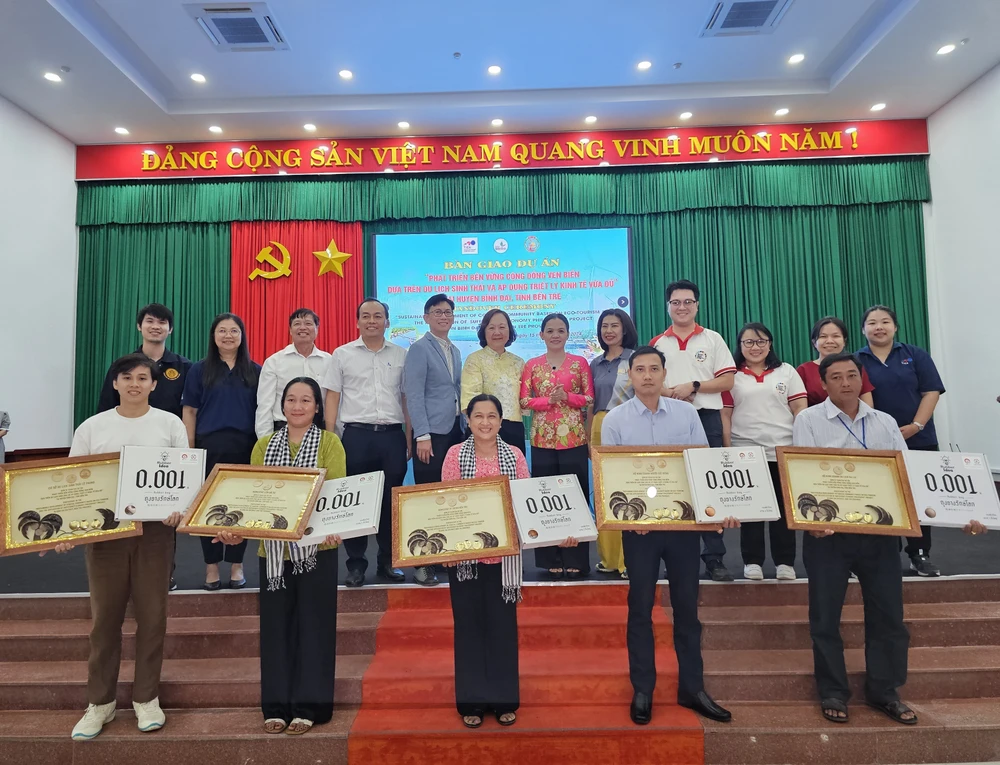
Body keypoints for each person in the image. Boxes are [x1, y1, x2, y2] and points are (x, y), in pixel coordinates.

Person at [51, 354, 188, 741]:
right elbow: (72, 483)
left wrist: (179, 510)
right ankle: (100, 703)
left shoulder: (170, 424)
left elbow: (184, 480)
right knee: (105, 620)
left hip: (156, 534)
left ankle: (146, 698)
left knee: (153, 617)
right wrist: (64, 529)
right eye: (126, 377)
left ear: (154, 385)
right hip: (105, 535)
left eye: (142, 378)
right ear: (115, 383)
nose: (134, 384)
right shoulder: (92, 428)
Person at [601, 346, 735, 725]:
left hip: (682, 527)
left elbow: (703, 466)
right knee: (640, 607)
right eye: (639, 369)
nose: (646, 376)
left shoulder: (687, 413)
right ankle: (643, 689)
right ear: (629, 375)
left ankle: (693, 688)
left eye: (653, 369)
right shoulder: (615, 420)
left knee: (687, 609)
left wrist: (714, 511)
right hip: (640, 529)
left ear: (664, 374)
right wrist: (627, 517)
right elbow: (611, 478)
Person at [215, 377, 344, 735]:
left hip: (318, 549)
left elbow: (334, 496)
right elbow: (251, 498)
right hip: (272, 552)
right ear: (281, 405)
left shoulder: (330, 443)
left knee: (314, 628)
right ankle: (276, 705)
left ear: (317, 407)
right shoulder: (263, 446)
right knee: (275, 629)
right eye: (291, 399)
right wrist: (234, 525)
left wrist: (334, 525)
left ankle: (309, 706)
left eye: (306, 400)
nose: (298, 406)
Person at [792, 352, 916, 725]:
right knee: (825, 618)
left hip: (880, 533)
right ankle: (833, 690)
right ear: (824, 384)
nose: (846, 383)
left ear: (862, 380)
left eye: (851, 376)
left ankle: (885, 691)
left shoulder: (885, 422)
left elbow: (904, 473)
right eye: (836, 377)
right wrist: (808, 521)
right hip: (827, 533)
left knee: (889, 616)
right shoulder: (809, 420)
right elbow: (802, 474)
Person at [439, 394, 530, 728]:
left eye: (492, 416)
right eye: (479, 416)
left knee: (502, 628)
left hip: (503, 558)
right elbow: (445, 504)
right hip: (466, 558)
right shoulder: (454, 455)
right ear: (468, 420)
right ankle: (473, 702)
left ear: (501, 422)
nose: (485, 422)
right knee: (469, 628)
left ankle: (504, 699)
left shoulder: (516, 455)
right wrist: (447, 548)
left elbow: (525, 501)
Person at [650, 280, 736, 582]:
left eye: (688, 302)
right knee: (670, 483)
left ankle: (715, 558)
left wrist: (694, 386)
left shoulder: (712, 339)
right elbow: (650, 383)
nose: (682, 307)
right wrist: (672, 392)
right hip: (668, 420)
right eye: (676, 302)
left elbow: (727, 382)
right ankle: (669, 554)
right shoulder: (658, 343)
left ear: (697, 305)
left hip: (707, 418)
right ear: (668, 306)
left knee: (708, 486)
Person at [323, 298, 408, 587]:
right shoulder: (342, 354)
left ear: (387, 321)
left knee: (390, 504)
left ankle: (387, 562)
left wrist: (408, 436)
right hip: (356, 436)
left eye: (378, 316)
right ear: (357, 321)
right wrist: (331, 436)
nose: (372, 320)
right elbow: (332, 396)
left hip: (392, 436)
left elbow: (405, 398)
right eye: (366, 316)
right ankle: (356, 564)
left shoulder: (401, 354)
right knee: (355, 503)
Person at [858, 305, 946, 577]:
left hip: (918, 437)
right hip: (876, 441)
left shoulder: (914, 354)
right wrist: (883, 432)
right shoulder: (856, 359)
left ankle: (920, 553)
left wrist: (916, 426)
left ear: (895, 327)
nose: (879, 327)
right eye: (872, 323)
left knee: (919, 497)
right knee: (881, 496)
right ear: (864, 330)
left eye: (885, 322)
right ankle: (885, 552)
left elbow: (931, 391)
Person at [721, 322, 807, 581]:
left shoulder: (787, 372)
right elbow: (725, 416)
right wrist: (728, 451)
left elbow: (800, 410)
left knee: (783, 510)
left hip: (782, 449)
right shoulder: (731, 376)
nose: (755, 347)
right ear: (740, 346)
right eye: (748, 342)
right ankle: (753, 561)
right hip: (745, 451)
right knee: (752, 510)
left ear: (770, 344)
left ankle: (784, 562)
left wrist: (799, 448)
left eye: (761, 342)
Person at [182, 313, 260, 590]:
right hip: (208, 446)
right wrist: (189, 450)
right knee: (209, 508)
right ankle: (212, 567)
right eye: (222, 331)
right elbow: (189, 411)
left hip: (245, 446)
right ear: (213, 336)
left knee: (242, 507)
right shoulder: (198, 370)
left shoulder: (255, 370)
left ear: (242, 337)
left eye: (234, 331)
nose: (228, 336)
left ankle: (237, 566)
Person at [519, 313, 595, 578]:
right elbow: (525, 402)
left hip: (573, 438)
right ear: (541, 335)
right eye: (549, 331)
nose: (555, 335)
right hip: (542, 439)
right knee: (546, 498)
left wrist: (568, 397)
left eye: (560, 330)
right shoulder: (532, 365)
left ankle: (576, 557)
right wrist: (548, 401)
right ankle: (549, 556)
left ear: (568, 334)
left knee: (576, 496)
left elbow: (588, 398)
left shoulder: (579, 363)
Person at [403, 294, 464, 586]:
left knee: (448, 498)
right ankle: (422, 563)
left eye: (448, 312)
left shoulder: (454, 349)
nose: (443, 316)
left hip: (455, 431)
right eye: (437, 312)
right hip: (431, 435)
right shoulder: (418, 349)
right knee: (426, 498)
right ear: (426, 317)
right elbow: (413, 394)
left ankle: (443, 554)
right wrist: (422, 435)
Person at [588, 308, 639, 578]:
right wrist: (587, 435)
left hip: (628, 426)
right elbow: (591, 404)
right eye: (604, 326)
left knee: (628, 489)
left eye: (614, 325)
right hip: (599, 426)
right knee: (604, 493)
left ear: (625, 328)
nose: (609, 330)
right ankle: (608, 559)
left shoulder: (635, 358)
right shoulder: (595, 363)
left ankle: (628, 560)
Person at [97, 303, 192, 418]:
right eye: (150, 321)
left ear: (170, 329)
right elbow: (107, 407)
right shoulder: (122, 366)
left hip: (170, 433)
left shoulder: (185, 367)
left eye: (162, 322)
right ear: (139, 326)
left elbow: (191, 409)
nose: (155, 327)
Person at [254, 308, 331, 438]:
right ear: (290, 330)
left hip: (319, 431)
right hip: (282, 431)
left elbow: (334, 403)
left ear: (317, 329)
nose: (302, 328)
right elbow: (264, 406)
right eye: (297, 324)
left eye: (308, 323)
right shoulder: (274, 362)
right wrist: (265, 440)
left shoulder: (329, 361)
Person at [460, 309, 526, 450]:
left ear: (510, 330)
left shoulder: (519, 362)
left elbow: (525, 402)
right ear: (484, 331)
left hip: (514, 429)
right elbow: (469, 400)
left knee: (516, 471)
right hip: (484, 430)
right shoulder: (474, 360)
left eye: (502, 327)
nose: (497, 332)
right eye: (491, 328)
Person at [796, 317, 875, 408]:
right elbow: (799, 407)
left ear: (844, 341)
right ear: (814, 342)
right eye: (823, 336)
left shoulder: (855, 368)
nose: (830, 341)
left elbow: (868, 405)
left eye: (836, 336)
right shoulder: (803, 370)